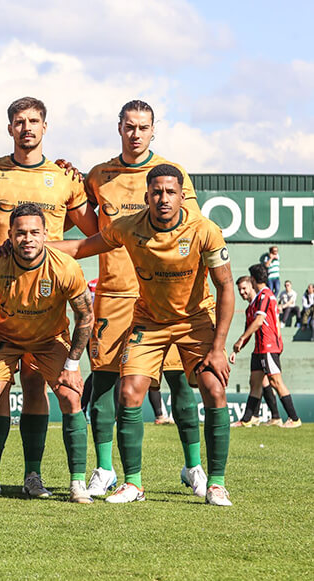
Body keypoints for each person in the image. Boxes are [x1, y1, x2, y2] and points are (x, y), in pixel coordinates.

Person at [50, 163, 235, 506]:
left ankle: (216, 484)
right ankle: (133, 483)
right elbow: (83, 247)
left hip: (194, 322)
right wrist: (35, 244)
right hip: (149, 321)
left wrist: (219, 347)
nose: (163, 198)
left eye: (170, 192)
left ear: (183, 196)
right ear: (147, 196)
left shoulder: (205, 230)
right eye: (157, 192)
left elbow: (225, 287)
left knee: (213, 387)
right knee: (130, 392)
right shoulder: (128, 227)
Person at [0, 96, 97, 497]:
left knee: (35, 387)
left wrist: (50, 254)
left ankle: (33, 476)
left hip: (46, 307)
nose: (26, 128)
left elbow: (96, 235)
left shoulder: (65, 178)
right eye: (19, 121)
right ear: (9, 127)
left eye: (34, 121)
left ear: (45, 127)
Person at [80, 100, 206, 499]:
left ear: (154, 131)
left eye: (144, 127)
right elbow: (87, 224)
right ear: (119, 127)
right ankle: (103, 468)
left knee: (180, 383)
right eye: (130, 126)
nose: (136, 133)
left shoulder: (172, 174)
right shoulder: (100, 175)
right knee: (103, 382)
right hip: (115, 294)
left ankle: (193, 466)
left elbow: (191, 231)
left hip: (162, 298)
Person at [0, 202, 94, 503]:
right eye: (20, 233)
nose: (28, 239)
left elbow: (85, 316)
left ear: (46, 234)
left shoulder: (65, 267)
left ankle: (68, 482)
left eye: (35, 232)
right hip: (3, 337)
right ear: (9, 235)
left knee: (71, 395)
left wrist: (73, 365)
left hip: (49, 339)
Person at [230, 268, 301, 429]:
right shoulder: (252, 305)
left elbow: (260, 321)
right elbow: (250, 329)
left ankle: (294, 418)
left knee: (276, 381)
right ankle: (247, 419)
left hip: (269, 346)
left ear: (253, 281)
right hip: (259, 348)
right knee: (255, 382)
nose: (242, 292)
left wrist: (241, 339)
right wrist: (236, 348)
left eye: (244, 287)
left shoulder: (265, 295)